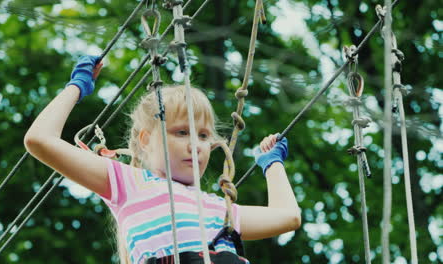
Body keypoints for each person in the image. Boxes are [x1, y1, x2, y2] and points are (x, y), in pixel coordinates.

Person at [24, 55, 301, 264]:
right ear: (145, 140)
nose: (195, 145)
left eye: (204, 136)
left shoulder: (219, 209)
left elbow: (288, 217)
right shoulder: (130, 183)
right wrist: (77, 86)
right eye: (182, 132)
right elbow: (39, 140)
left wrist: (272, 163)